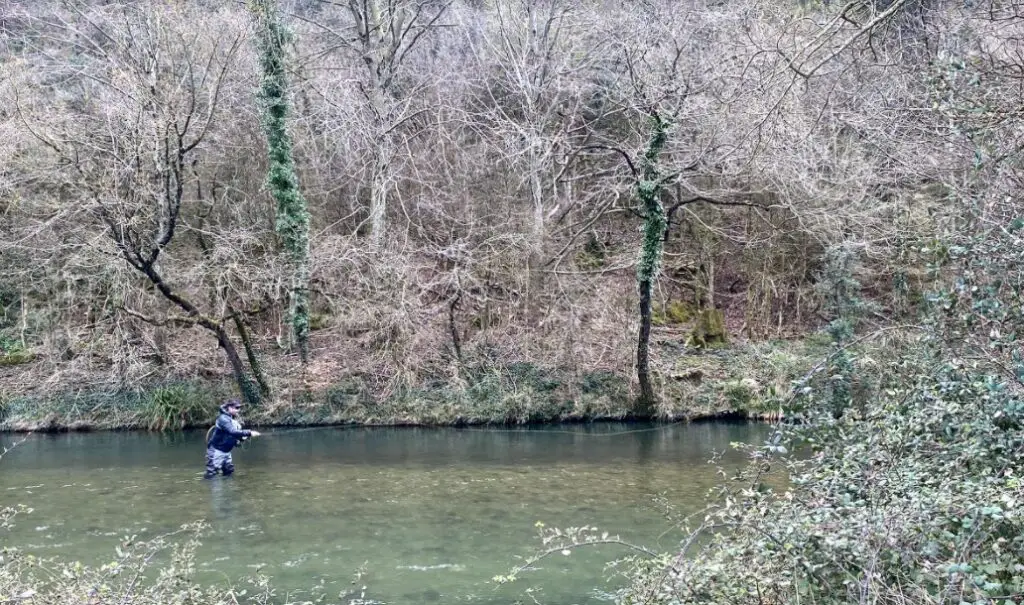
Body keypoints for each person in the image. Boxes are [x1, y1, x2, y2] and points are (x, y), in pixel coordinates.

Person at [204, 399, 260, 479]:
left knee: (229, 472)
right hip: (216, 451)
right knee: (211, 475)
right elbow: (232, 431)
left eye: (239, 408)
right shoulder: (222, 419)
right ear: (229, 408)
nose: (238, 410)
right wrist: (249, 432)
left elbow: (233, 435)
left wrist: (241, 439)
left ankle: (228, 490)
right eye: (236, 408)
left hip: (226, 452)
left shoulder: (232, 420)